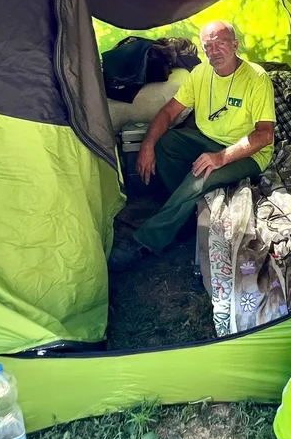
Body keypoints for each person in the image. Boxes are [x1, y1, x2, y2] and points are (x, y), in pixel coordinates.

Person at [110, 21, 274, 270]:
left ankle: (146, 240)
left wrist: (221, 157)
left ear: (235, 45)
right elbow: (168, 112)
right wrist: (147, 145)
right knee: (165, 144)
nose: (214, 51)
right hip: (207, 140)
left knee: (201, 176)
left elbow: (264, 135)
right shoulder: (200, 73)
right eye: (208, 46)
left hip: (247, 151)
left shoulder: (257, 78)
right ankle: (186, 217)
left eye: (220, 43)